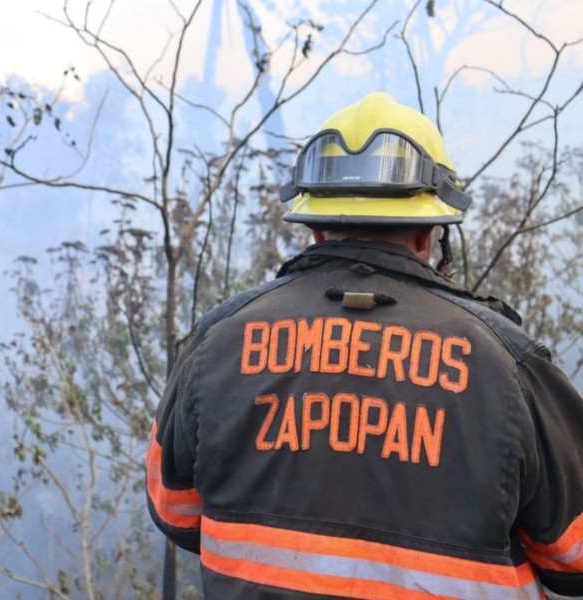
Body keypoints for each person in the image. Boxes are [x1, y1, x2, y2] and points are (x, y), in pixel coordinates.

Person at [145, 91, 583, 599]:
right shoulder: (507, 366)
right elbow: (572, 556)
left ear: (315, 231)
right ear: (429, 234)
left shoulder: (217, 342)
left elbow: (174, 509)